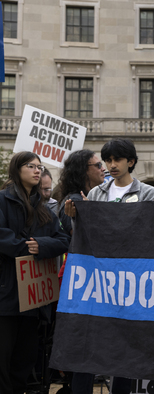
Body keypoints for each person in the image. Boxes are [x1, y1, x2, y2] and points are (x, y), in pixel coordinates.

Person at [65, 139, 154, 394]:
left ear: (130, 161)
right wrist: (76, 218)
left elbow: (150, 236)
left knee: (125, 345)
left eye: (117, 160)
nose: (111, 165)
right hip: (100, 279)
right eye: (108, 160)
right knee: (91, 340)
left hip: (131, 279)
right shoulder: (98, 193)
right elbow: (86, 236)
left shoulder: (148, 193)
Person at [0, 151, 69, 394]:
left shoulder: (43, 208)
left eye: (40, 166)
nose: (37, 170)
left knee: (24, 361)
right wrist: (27, 247)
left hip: (33, 301)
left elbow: (63, 239)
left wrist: (41, 246)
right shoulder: (2, 200)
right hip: (6, 296)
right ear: (17, 169)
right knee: (3, 360)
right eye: (31, 166)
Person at [54, 149, 105, 394]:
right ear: (85, 170)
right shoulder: (74, 201)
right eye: (98, 165)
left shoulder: (87, 196)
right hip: (82, 283)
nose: (103, 168)